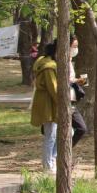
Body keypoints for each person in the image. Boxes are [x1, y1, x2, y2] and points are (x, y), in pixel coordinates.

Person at [30, 41, 58, 173]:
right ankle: (48, 164)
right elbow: (54, 89)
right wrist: (64, 102)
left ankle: (52, 159)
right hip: (48, 104)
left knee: (66, 132)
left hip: (49, 103)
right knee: (51, 134)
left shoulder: (47, 64)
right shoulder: (49, 67)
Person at [69, 36, 87, 147]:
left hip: (72, 100)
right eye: (74, 46)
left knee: (78, 129)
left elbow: (70, 79)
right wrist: (76, 81)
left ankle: (65, 152)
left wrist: (79, 81)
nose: (76, 49)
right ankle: (63, 152)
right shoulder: (61, 62)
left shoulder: (70, 61)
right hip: (67, 101)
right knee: (81, 128)